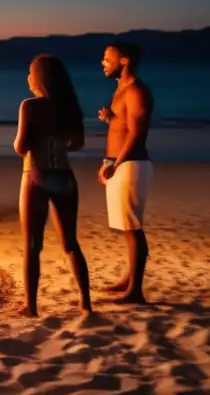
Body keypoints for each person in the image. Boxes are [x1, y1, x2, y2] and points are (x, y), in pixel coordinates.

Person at [13, 55, 91, 317]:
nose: (27, 78)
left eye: (30, 72)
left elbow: (20, 145)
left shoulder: (30, 106)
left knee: (33, 245)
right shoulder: (69, 107)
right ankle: (85, 303)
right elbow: (76, 144)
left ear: (39, 78)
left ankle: (31, 307)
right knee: (70, 243)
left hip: (37, 173)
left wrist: (33, 140)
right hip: (65, 177)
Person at [98, 42, 155, 304]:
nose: (103, 62)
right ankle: (129, 279)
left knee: (132, 227)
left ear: (124, 61)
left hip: (131, 164)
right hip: (120, 162)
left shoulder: (136, 92)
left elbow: (137, 133)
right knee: (125, 225)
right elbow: (123, 127)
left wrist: (116, 164)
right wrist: (111, 119)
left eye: (107, 58)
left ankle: (135, 291)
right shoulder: (120, 90)